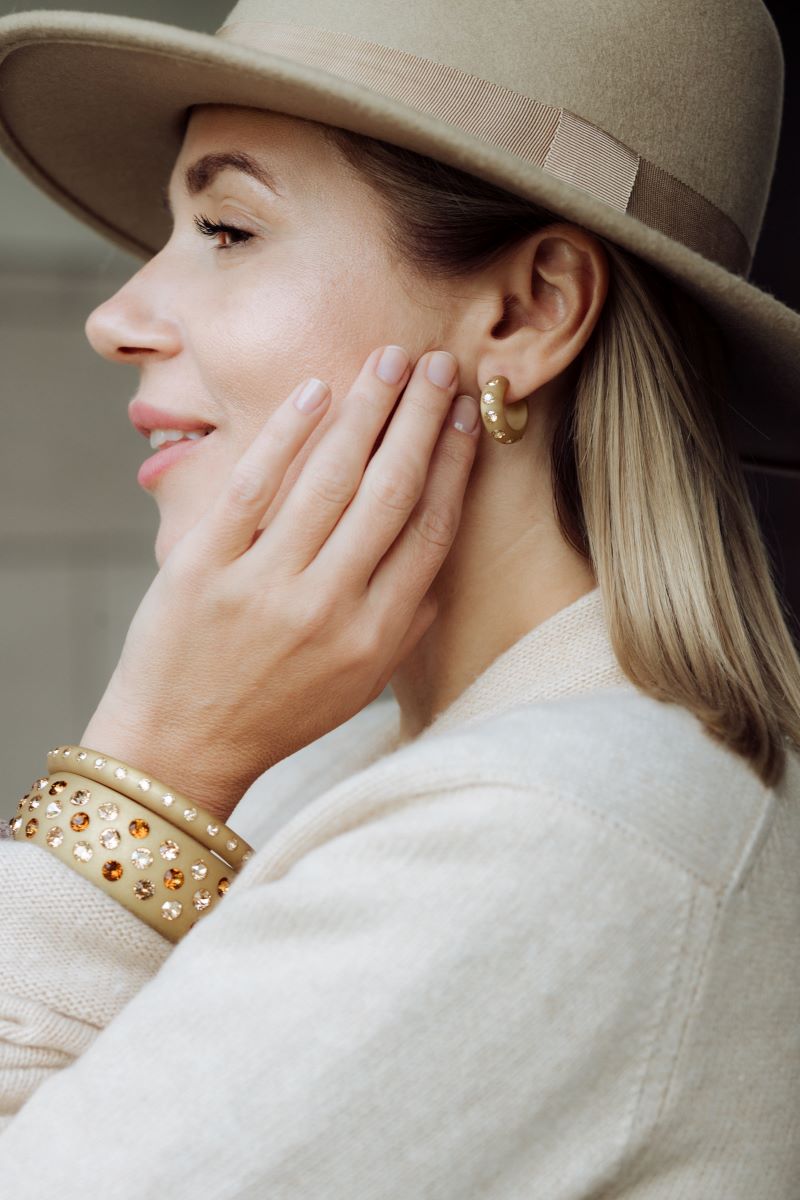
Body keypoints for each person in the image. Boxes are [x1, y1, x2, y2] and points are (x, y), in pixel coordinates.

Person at [0, 0, 798, 1195]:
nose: (116, 319)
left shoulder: (557, 833)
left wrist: (145, 765)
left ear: (525, 312)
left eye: (225, 228)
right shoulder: (365, 766)